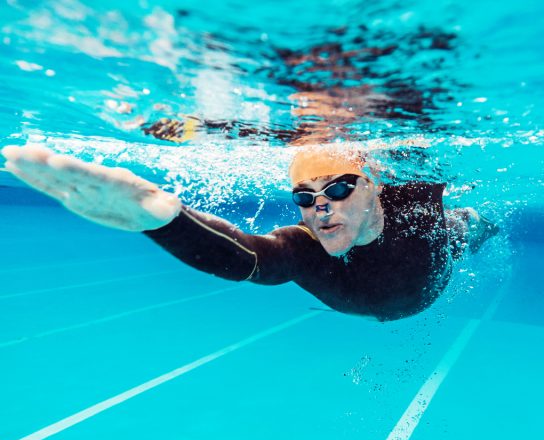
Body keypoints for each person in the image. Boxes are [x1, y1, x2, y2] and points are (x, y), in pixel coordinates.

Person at [1, 143, 497, 321]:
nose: (320, 207)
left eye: (338, 189)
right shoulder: (306, 248)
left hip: (433, 259)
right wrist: (163, 220)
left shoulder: (413, 200)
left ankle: (476, 224)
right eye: (305, 196)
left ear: (373, 187)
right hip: (372, 303)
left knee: (460, 231)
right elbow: (253, 257)